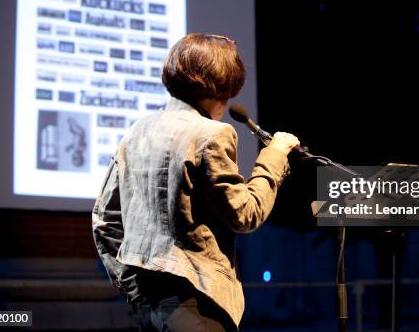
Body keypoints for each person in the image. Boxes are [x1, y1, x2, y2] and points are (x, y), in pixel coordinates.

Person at [92, 33, 300, 331]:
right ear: (220, 85)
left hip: (146, 306)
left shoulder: (138, 130)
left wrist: (131, 286)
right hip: (195, 301)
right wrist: (275, 156)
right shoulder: (212, 134)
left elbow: (105, 220)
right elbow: (245, 214)